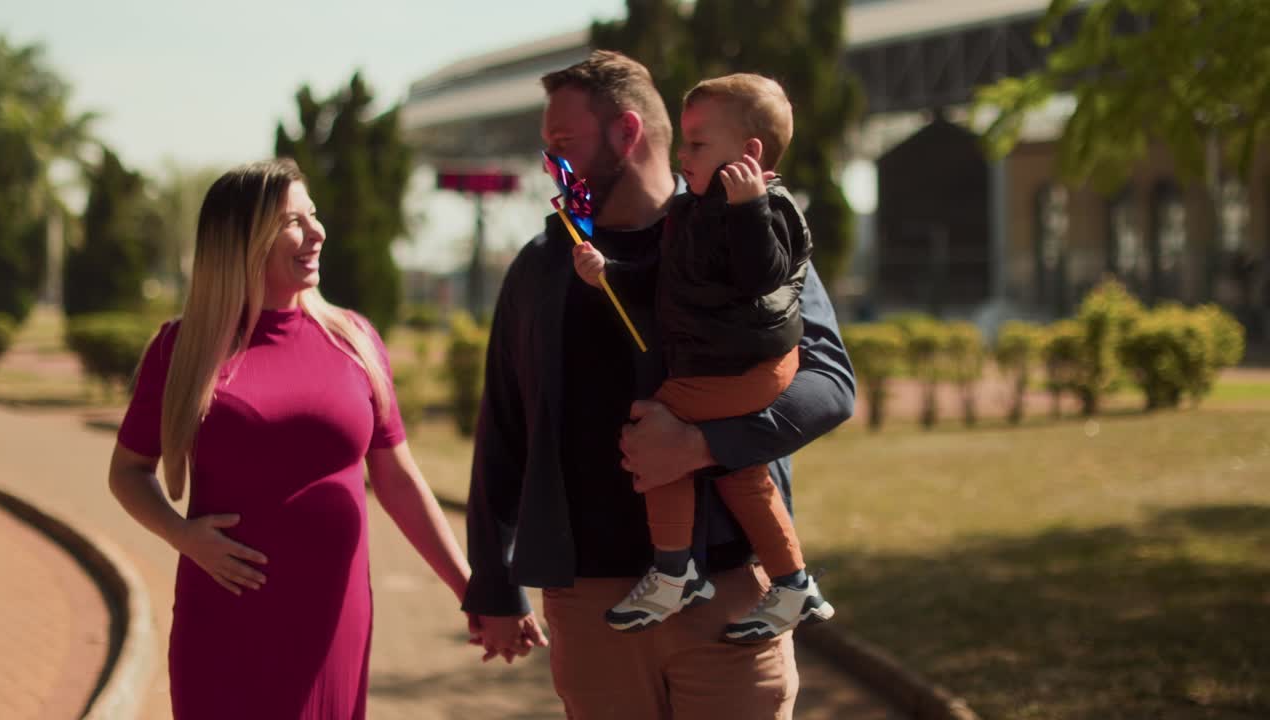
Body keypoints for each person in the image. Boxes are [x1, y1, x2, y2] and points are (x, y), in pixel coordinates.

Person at [464, 51, 855, 719]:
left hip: (732, 594)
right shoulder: (542, 266)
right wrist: (494, 585)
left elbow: (831, 384)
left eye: (563, 142)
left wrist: (706, 445)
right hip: (591, 607)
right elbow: (504, 429)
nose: (549, 163)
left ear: (626, 133)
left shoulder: (747, 230)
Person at [108, 159, 473, 719]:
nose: (317, 232)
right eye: (293, 222)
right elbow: (128, 472)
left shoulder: (354, 339)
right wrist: (181, 535)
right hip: (226, 626)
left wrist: (470, 588)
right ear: (243, 243)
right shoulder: (184, 348)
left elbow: (398, 480)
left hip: (335, 626)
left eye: (313, 215)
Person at [572, 73, 834, 643]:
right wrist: (609, 274)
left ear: (749, 154)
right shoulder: (692, 209)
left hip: (748, 366)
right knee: (741, 476)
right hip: (727, 365)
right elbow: (662, 280)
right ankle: (793, 583)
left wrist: (749, 209)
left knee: (654, 433)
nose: (683, 155)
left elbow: (762, 275)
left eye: (696, 143)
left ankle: (674, 571)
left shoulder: (770, 209)